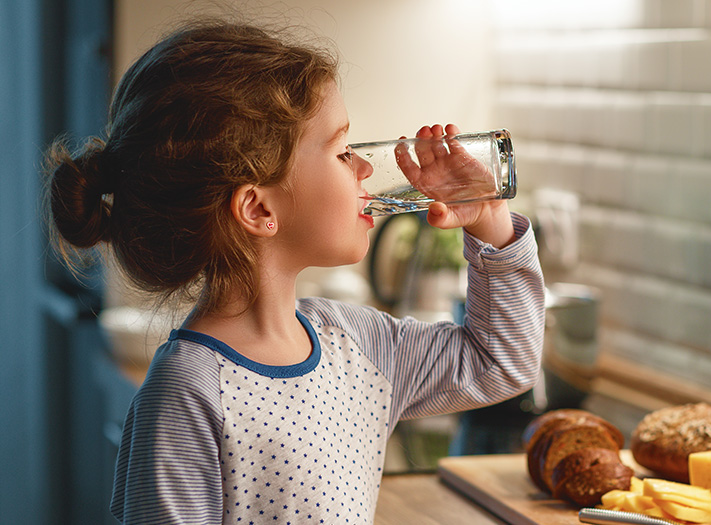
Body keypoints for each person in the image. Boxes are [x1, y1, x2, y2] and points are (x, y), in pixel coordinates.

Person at [44, 20, 544, 524]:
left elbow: (500, 362)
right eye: (342, 151)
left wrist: (488, 222)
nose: (365, 169)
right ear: (259, 209)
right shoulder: (185, 397)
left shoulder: (358, 343)